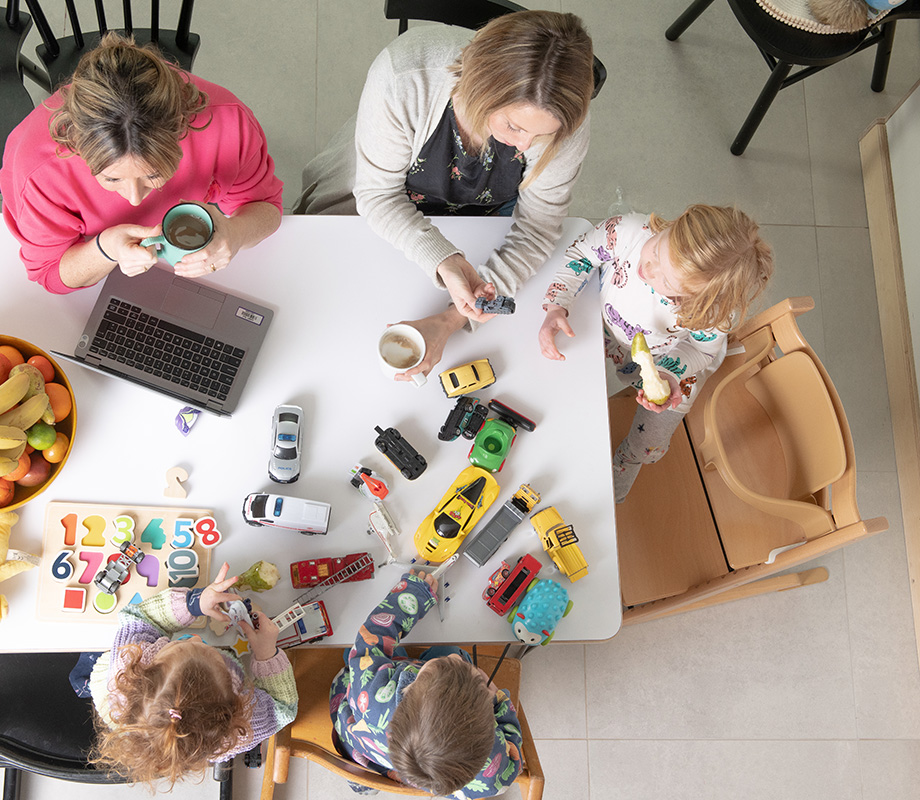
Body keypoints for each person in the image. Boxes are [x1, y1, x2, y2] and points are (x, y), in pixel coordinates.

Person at [296, 11, 594, 379]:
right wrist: (443, 259)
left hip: (484, 217)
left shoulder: (560, 119)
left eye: (540, 135)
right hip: (382, 199)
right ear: (477, 88)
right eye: (513, 126)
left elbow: (537, 230)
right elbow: (377, 194)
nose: (524, 145)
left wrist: (450, 320)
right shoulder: (405, 77)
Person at [0, 34, 283, 294]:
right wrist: (104, 249)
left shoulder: (228, 122)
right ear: (75, 146)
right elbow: (50, 272)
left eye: (154, 175)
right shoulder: (38, 171)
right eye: (112, 179)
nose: (134, 201)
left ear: (182, 129)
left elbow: (266, 206)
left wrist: (236, 233)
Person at [537, 206, 774, 503]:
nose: (648, 269)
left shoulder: (712, 313)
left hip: (670, 363)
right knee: (567, 392)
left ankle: (625, 464)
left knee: (650, 441)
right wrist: (557, 304)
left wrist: (668, 373)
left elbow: (701, 349)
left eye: (667, 283)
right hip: (608, 334)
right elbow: (582, 254)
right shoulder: (627, 232)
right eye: (658, 250)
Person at [71, 562, 296, 788]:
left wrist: (195, 603)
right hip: (131, 703)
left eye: (184, 644)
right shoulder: (236, 731)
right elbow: (284, 709)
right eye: (210, 651)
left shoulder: (130, 659)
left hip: (119, 697)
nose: (196, 638)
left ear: (150, 666)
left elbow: (138, 617)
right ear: (231, 709)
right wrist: (267, 653)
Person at [330, 569, 524, 797]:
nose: (456, 659)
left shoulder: (373, 693)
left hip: (364, 729)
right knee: (450, 649)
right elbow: (511, 757)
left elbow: (371, 635)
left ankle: (365, 775)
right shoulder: (491, 773)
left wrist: (414, 593)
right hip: (409, 770)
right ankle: (373, 774)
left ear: (408, 688)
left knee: (355, 658)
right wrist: (499, 702)